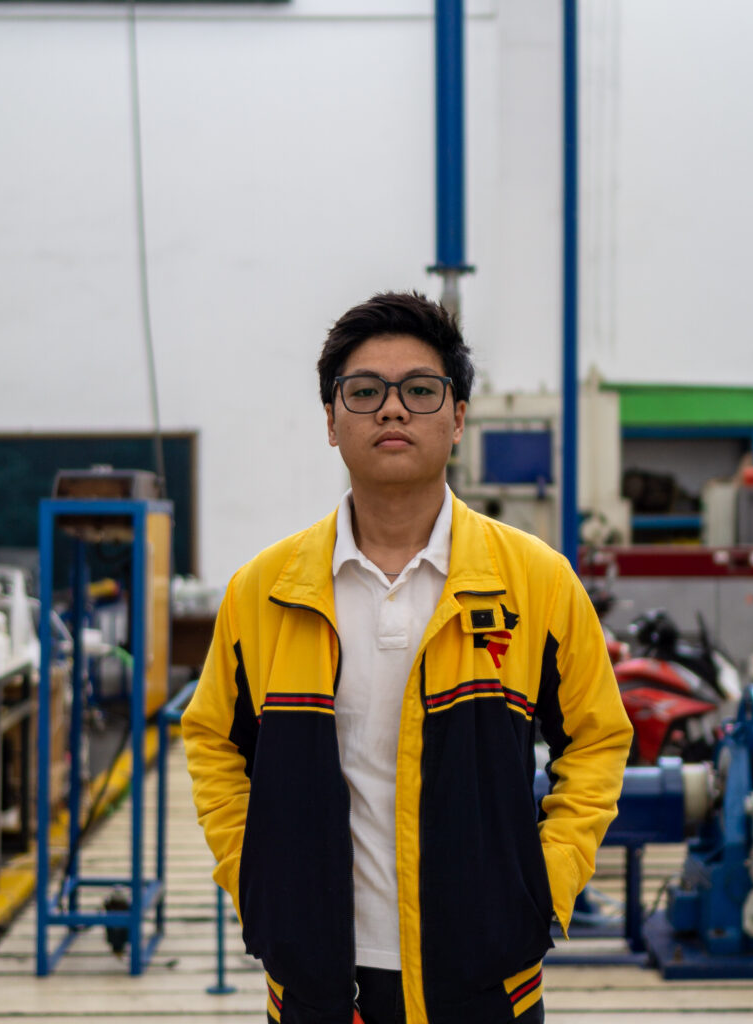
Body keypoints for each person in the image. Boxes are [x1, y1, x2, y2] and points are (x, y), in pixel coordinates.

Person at [182, 291, 632, 1024]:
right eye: (364, 392)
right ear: (332, 421)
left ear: (458, 418)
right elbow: (211, 741)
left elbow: (598, 739)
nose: (392, 410)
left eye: (421, 391)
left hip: (486, 979)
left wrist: (544, 884)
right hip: (316, 981)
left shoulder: (537, 583)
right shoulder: (264, 591)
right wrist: (257, 877)